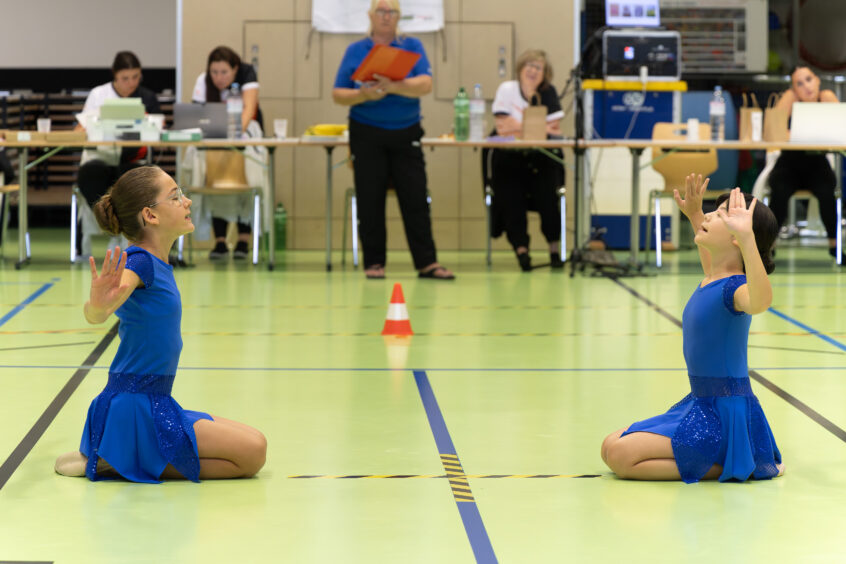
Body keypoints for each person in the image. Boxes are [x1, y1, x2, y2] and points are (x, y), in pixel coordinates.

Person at [54, 166, 266, 483]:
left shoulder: (157, 262)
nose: (187, 201)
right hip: (136, 407)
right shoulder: (139, 261)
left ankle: (122, 456)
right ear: (150, 215)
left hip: (156, 401)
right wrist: (97, 306)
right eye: (176, 196)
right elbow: (101, 311)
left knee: (254, 442)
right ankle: (117, 460)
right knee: (252, 453)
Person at [601, 174, 784, 483]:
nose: (710, 216)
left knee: (621, 456)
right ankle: (733, 459)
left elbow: (761, 301)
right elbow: (713, 260)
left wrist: (748, 240)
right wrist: (695, 214)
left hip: (724, 415)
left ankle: (738, 462)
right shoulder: (714, 277)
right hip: (700, 404)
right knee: (610, 445)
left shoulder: (737, 289)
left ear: (739, 236)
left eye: (721, 215)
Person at [332, 0, 454, 280]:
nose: (386, 16)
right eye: (381, 11)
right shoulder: (355, 50)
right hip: (366, 132)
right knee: (370, 198)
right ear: (370, 15)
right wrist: (363, 95)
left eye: (392, 12)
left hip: (406, 131)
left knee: (415, 198)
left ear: (399, 17)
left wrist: (393, 86)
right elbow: (338, 93)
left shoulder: (412, 46)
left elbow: (425, 84)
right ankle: (374, 262)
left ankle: (427, 262)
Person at [75, 51, 161, 258]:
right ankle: (110, 227)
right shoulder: (99, 94)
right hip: (100, 158)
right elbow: (80, 129)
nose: (131, 83)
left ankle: (128, 232)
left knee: (136, 179)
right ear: (114, 75)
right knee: (90, 174)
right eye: (125, 78)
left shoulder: (147, 97)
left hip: (133, 159)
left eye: (135, 77)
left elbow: (158, 132)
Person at [490, 49, 565, 271]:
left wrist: (519, 125)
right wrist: (536, 126)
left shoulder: (547, 92)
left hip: (540, 157)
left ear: (545, 74)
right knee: (511, 199)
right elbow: (502, 127)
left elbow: (555, 129)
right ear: (521, 68)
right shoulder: (507, 89)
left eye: (538, 68)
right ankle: (521, 250)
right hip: (509, 158)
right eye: (529, 66)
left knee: (549, 198)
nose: (533, 71)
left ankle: (554, 249)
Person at [192, 46, 264, 260]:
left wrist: (234, 136)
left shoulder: (247, 73)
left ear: (235, 69)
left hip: (244, 136)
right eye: (214, 72)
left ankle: (244, 240)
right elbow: (197, 116)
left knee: (249, 177)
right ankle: (220, 241)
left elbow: (249, 108)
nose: (219, 77)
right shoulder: (203, 81)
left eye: (224, 72)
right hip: (214, 140)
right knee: (212, 179)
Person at [769, 65, 844, 264]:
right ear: (794, 88)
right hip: (789, 163)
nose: (806, 87)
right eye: (799, 84)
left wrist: (797, 135)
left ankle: (835, 247)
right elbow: (773, 129)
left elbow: (840, 127)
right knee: (779, 192)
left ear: (817, 80)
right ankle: (768, 246)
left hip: (817, 163)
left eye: (809, 79)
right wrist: (789, 98)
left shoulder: (826, 97)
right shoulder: (791, 99)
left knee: (827, 192)